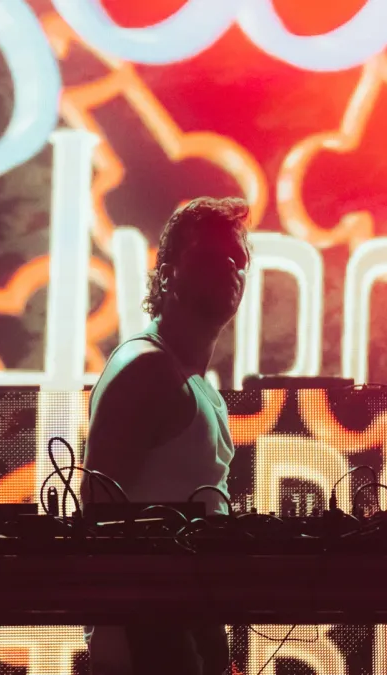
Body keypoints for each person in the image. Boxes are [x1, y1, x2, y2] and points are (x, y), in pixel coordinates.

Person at [81, 197, 251, 675]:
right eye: (210, 257)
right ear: (168, 273)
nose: (229, 269)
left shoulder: (189, 378)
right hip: (148, 630)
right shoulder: (146, 369)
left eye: (237, 259)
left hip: (179, 617)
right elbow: (100, 519)